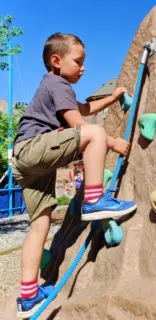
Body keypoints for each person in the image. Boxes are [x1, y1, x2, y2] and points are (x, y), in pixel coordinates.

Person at [11, 33, 137, 318]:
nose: (83, 68)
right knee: (95, 132)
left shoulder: (54, 87)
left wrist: (113, 97)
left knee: (40, 225)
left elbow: (84, 108)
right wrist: (113, 142)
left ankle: (28, 294)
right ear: (56, 61)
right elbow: (81, 125)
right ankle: (94, 200)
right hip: (33, 149)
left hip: (25, 160)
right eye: (78, 61)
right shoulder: (58, 83)